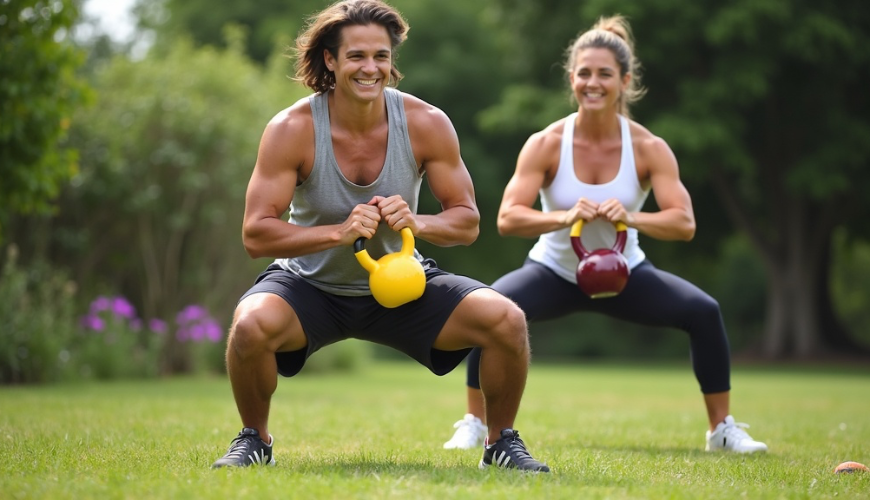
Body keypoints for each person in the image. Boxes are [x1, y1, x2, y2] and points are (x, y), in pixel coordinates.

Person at [210, 0, 548, 472]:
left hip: (402, 285)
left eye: (381, 57)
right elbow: (255, 234)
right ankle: (254, 439)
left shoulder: (428, 123)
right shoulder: (292, 129)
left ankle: (501, 443)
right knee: (250, 327)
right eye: (357, 56)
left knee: (506, 320)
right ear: (330, 60)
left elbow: (467, 221)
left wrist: (417, 222)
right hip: (310, 287)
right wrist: (338, 233)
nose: (371, 68)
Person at [442, 15, 768, 455]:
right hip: (554, 270)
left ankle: (722, 430)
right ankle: (475, 423)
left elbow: (683, 223)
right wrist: (563, 216)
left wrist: (632, 219)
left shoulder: (649, 147)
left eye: (604, 74)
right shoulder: (546, 143)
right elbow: (508, 218)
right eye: (584, 73)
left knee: (704, 311)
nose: (592, 83)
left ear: (625, 81)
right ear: (571, 78)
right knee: (490, 311)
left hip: (625, 272)